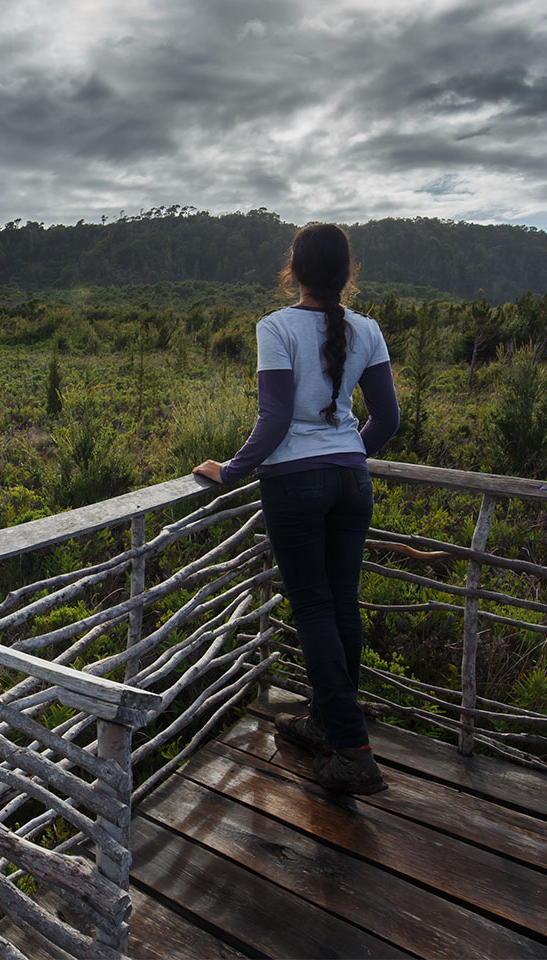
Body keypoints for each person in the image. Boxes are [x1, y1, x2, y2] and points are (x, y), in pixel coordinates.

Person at [193, 222, 399, 795]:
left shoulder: (276, 327)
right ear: (346, 273)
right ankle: (329, 726)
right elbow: (387, 418)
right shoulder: (369, 330)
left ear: (295, 270)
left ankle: (354, 750)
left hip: (295, 483)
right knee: (341, 605)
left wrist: (230, 471)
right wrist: (349, 451)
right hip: (351, 480)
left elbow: (275, 417)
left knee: (312, 608)